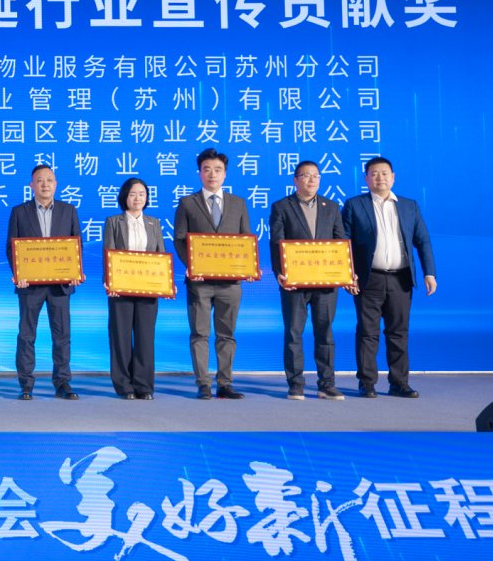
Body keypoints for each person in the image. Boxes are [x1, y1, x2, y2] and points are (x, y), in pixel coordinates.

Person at [343, 156, 438, 399]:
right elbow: (343, 243)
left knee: (398, 333)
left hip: (401, 279)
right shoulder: (354, 205)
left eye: (384, 173)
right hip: (368, 279)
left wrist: (429, 272)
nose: (380, 178)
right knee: (368, 333)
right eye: (374, 173)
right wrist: (347, 275)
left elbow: (423, 241)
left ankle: (399, 383)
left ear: (393, 177)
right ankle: (367, 383)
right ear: (366, 179)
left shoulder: (409, 206)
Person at [269, 160, 351, 401]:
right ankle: (296, 384)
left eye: (316, 175)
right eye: (306, 175)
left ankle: (327, 384)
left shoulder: (331, 207)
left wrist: (346, 272)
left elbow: (340, 243)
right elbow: (276, 243)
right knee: (293, 332)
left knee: (325, 333)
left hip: (326, 283)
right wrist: (280, 272)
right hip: (294, 281)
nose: (312, 180)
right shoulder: (282, 206)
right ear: (296, 180)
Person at [173, 147, 251, 400]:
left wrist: (247, 267)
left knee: (227, 334)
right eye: (207, 169)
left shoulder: (238, 203)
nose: (212, 174)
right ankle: (203, 383)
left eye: (218, 170)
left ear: (225, 174)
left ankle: (225, 383)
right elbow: (179, 239)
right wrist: (191, 266)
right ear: (199, 173)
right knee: (200, 334)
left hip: (230, 283)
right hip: (200, 282)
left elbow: (245, 241)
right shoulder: (187, 203)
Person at [6, 163, 81, 400]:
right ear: (32, 185)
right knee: (26, 336)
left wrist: (75, 271)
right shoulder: (19, 212)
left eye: (49, 180)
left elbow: (75, 245)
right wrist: (19, 273)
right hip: (30, 286)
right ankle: (26, 384)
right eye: (39, 180)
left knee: (62, 336)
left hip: (60, 286)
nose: (44, 184)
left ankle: (62, 383)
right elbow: (11, 248)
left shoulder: (69, 211)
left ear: (56, 184)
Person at [103, 177, 164, 401]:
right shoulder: (113, 222)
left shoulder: (154, 223)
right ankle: (124, 385)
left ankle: (144, 385)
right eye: (132, 194)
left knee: (145, 338)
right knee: (120, 337)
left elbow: (160, 255)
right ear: (124, 197)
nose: (137, 198)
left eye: (142, 194)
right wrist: (110, 282)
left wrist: (165, 284)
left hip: (148, 289)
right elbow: (108, 252)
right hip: (121, 289)